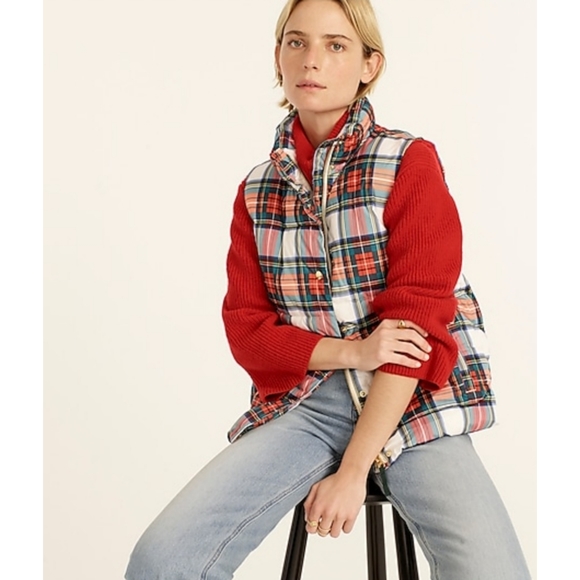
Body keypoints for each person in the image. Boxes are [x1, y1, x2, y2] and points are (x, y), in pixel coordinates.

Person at [125, 0, 531, 578]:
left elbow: (415, 330)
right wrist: (353, 352)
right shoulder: (258, 191)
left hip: (412, 399)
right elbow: (248, 332)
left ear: (369, 64)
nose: (311, 60)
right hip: (308, 406)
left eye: (336, 45)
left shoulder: (407, 162)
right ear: (278, 56)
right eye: (297, 42)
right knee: (163, 559)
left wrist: (354, 471)